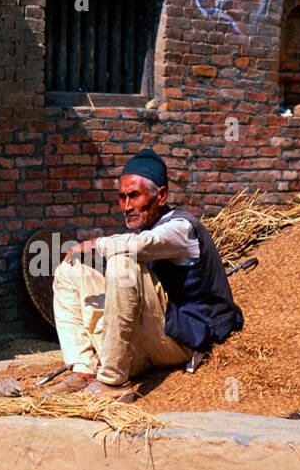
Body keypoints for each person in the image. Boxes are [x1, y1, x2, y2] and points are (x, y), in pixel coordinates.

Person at [47, 148, 243, 398]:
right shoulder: (146, 227)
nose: (126, 206)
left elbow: (140, 244)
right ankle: (84, 369)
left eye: (134, 196)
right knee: (69, 270)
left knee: (123, 262)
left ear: (161, 196)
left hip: (184, 339)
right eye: (122, 197)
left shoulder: (181, 228)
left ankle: (112, 383)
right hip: (150, 337)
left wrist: (93, 245)